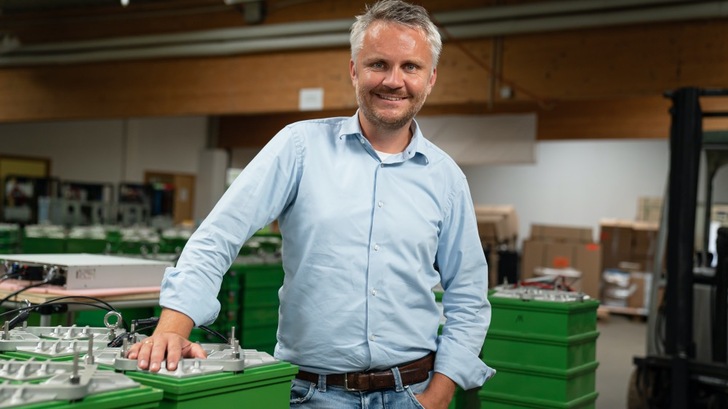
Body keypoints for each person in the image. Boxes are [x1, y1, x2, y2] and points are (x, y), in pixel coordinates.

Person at [128, 0, 494, 407]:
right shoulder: (299, 148)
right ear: (354, 70)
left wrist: (440, 394)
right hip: (315, 395)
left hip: (414, 393)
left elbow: (468, 295)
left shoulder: (446, 178)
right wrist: (174, 327)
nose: (394, 80)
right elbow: (219, 236)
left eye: (410, 67)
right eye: (378, 64)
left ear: (431, 78)